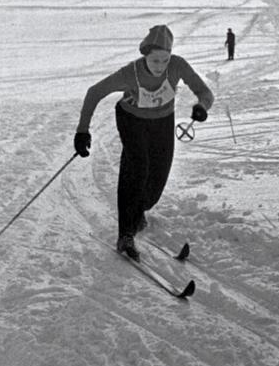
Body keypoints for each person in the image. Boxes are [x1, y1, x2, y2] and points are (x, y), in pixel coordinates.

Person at [73, 25, 214, 261]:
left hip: (162, 120)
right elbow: (94, 92)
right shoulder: (131, 74)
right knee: (137, 169)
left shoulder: (178, 65)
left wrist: (202, 107)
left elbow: (205, 92)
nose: (160, 66)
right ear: (145, 56)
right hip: (132, 119)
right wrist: (82, 131)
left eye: (164, 60)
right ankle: (126, 233)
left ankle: (138, 214)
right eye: (155, 60)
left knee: (157, 179)